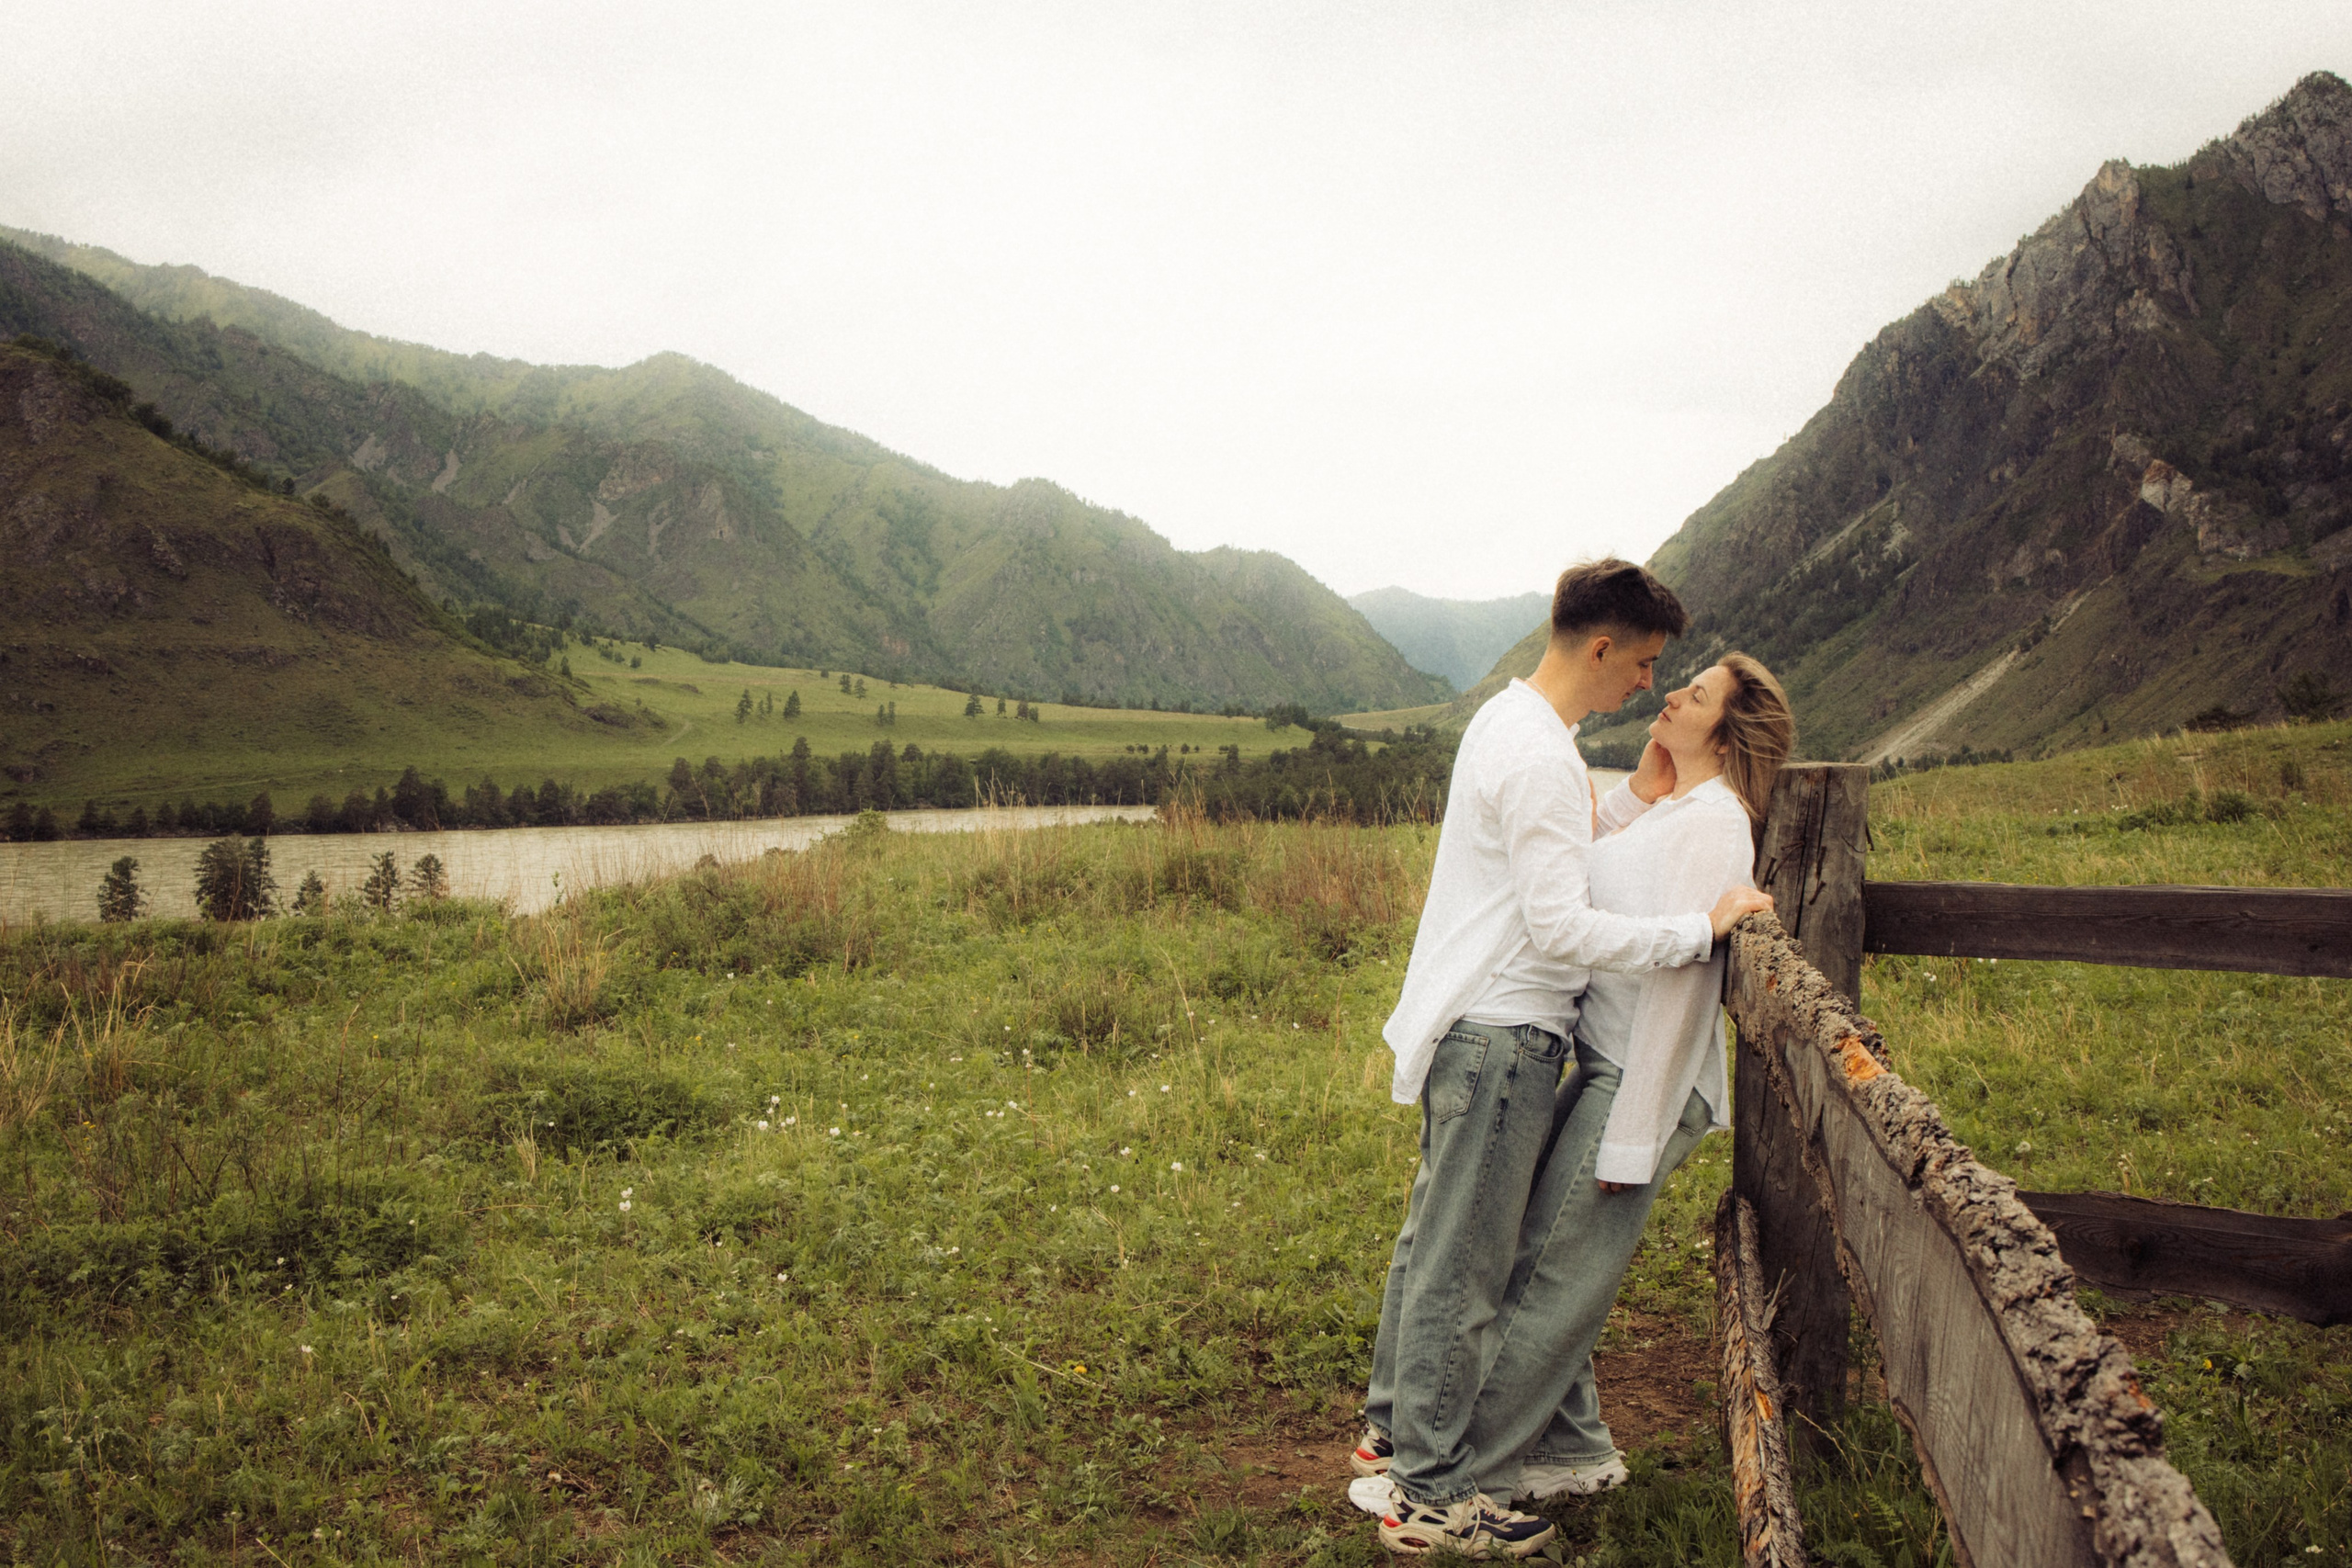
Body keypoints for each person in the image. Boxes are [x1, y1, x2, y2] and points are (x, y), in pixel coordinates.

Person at [1353, 561, 1774, 1560]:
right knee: (1468, 1266)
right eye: (1646, 662)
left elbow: (1582, 865)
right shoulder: (1544, 756)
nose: (1651, 685)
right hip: (1506, 1034)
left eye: (1675, 679)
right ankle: (1428, 1492)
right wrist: (1699, 931)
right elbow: (1560, 921)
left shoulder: (1513, 724)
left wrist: (1633, 800)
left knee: (1450, 1248)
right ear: (1602, 647)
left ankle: (1407, 1443)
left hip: (1493, 1029)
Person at [1457, 651, 1796, 1509]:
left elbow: (1685, 988)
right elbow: (1587, 871)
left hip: (1643, 1076)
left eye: (1697, 694)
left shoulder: (1718, 825)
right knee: (1546, 1254)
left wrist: (1633, 1134)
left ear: (1727, 734)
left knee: (1549, 1275)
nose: (1672, 692)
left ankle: (1476, 1473)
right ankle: (1572, 1449)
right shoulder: (1677, 808)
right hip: (1611, 1061)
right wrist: (1642, 791)